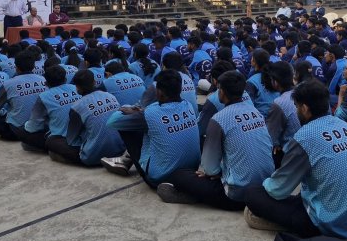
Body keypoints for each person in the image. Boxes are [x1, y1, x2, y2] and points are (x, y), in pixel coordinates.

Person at [244, 79, 347, 238]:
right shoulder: (343, 125)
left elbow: (278, 189)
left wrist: (265, 183)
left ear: (305, 108)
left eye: (297, 107)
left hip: (332, 224)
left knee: (253, 193)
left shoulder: (305, 136)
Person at [157, 70, 274, 211]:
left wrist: (213, 172)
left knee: (179, 175)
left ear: (222, 92)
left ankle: (194, 196)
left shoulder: (219, 119)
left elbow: (210, 169)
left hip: (236, 196)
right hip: (263, 188)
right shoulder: (255, 112)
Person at [102, 69, 201, 184]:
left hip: (160, 176)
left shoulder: (151, 112)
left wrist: (127, 107)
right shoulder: (188, 105)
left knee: (128, 127)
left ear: (159, 92)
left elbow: (112, 122)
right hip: (191, 169)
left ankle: (129, 160)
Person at [45, 70, 124, 165]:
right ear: (94, 82)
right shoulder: (110, 96)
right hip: (120, 150)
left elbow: (72, 140)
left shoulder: (77, 107)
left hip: (93, 157)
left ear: (77, 87)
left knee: (51, 141)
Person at [264, 62, 299, 168]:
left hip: (291, 153)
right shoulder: (302, 90)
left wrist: (275, 144)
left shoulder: (279, 103)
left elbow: (270, 136)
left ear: (275, 81)